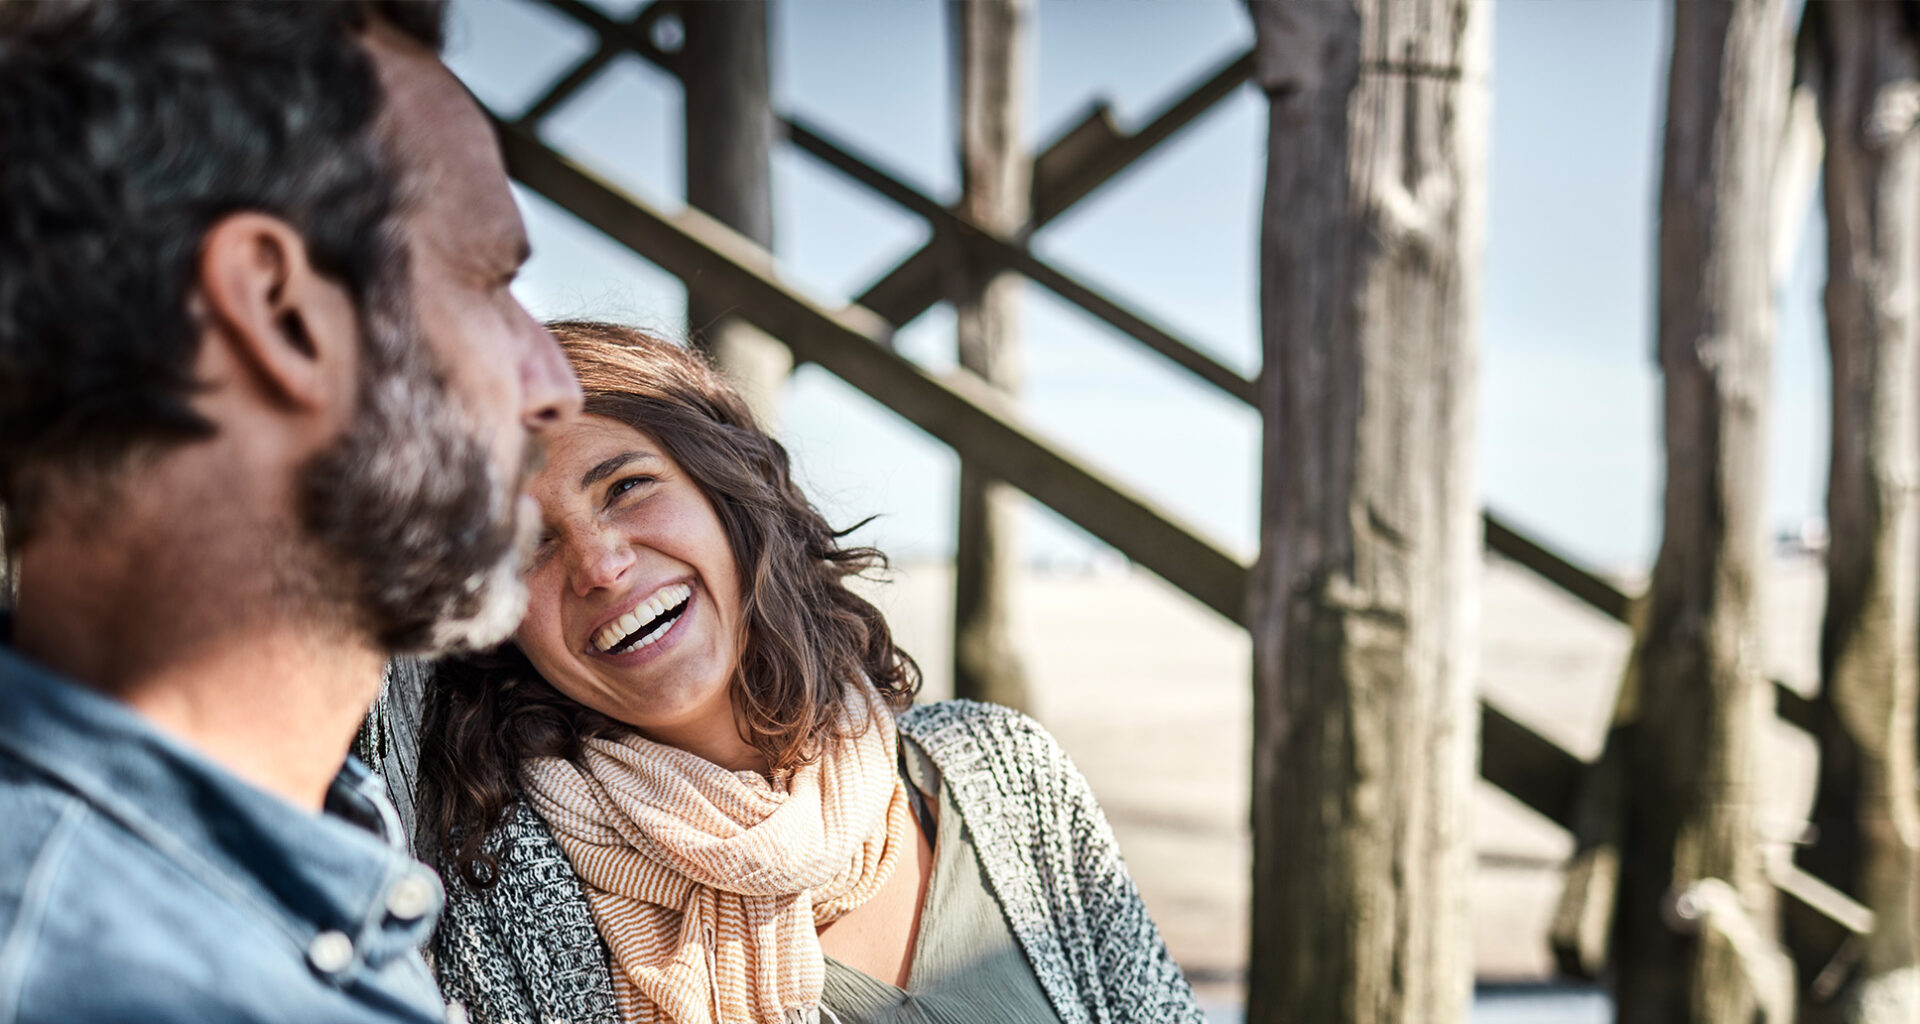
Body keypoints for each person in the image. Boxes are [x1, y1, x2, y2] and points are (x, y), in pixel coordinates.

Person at [0, 3, 581, 1021]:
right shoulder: (82, 980)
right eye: (491, 281)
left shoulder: (313, 851)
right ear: (278, 311)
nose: (555, 384)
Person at [415, 320, 1203, 1024]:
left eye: (626, 488)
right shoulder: (501, 890)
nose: (599, 564)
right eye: (527, 546)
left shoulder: (1007, 776)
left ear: (729, 496)